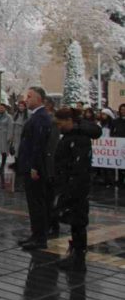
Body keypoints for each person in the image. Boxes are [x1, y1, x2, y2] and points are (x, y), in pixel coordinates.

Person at [53, 107, 102, 271]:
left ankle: (78, 257)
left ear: (69, 121)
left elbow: (78, 165)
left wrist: (70, 186)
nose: (59, 127)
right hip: (72, 183)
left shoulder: (79, 138)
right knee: (75, 220)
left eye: (60, 123)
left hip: (77, 185)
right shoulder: (71, 135)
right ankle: (76, 253)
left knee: (78, 220)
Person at [17, 87, 53, 251]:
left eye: (29, 97)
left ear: (38, 99)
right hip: (29, 166)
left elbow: (39, 146)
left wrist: (34, 167)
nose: (26, 99)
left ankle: (40, 238)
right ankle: (36, 235)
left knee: (37, 203)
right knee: (33, 204)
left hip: (35, 169)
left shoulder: (41, 118)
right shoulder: (36, 117)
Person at [44, 98, 61, 236]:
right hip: (47, 164)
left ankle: (53, 224)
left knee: (50, 198)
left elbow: (52, 145)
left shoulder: (53, 122)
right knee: (48, 198)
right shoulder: (48, 120)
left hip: (51, 166)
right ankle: (50, 223)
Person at [9, 100, 28, 187]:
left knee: (22, 152)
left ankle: (21, 168)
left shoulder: (28, 115)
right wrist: (12, 135)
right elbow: (12, 125)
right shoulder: (16, 115)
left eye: (22, 106)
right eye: (19, 106)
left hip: (23, 136)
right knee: (16, 152)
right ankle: (17, 165)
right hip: (16, 136)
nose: (21, 108)